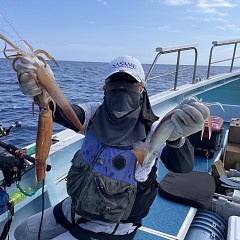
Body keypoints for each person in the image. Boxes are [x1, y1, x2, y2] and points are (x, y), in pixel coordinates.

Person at [14, 55, 209, 240]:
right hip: (76, 206)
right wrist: (42, 86)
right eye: (115, 83)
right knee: (23, 232)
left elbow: (182, 166)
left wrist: (177, 138)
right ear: (105, 87)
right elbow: (59, 112)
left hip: (114, 225)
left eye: (130, 84)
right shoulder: (93, 114)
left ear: (142, 89)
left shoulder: (152, 130)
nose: (122, 89)